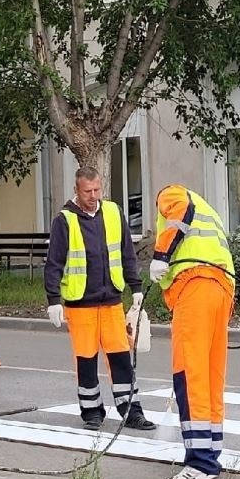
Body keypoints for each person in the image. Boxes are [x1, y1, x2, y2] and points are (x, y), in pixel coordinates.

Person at [44, 166, 156, 432]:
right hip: (80, 303)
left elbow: (126, 252)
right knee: (86, 360)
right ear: (77, 190)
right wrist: (53, 300)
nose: (93, 196)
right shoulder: (65, 220)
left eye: (97, 190)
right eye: (87, 192)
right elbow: (54, 263)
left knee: (121, 359)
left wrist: (136, 287)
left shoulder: (114, 213)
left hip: (111, 301)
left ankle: (132, 412)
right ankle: (92, 412)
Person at [150, 184, 235, 479]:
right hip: (220, 287)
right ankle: (209, 454)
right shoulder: (208, 207)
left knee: (189, 373)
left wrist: (161, 255)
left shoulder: (170, 193)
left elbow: (178, 212)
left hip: (194, 285)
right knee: (211, 376)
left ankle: (199, 462)